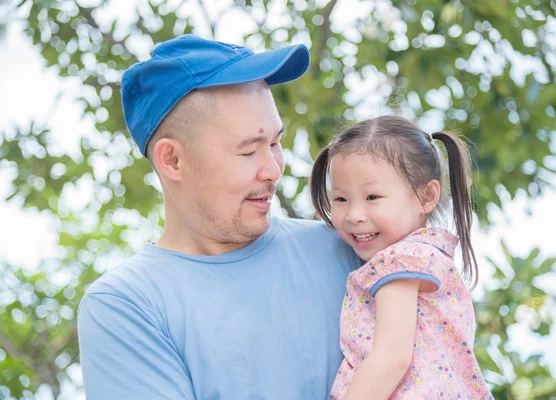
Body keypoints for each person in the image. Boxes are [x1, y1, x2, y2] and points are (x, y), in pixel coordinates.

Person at [77, 35, 361, 399]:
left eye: (274, 143)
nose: (273, 170)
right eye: (248, 151)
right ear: (173, 160)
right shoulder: (126, 307)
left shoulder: (346, 250)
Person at [310, 116, 493, 399]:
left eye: (373, 197)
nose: (355, 215)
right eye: (341, 199)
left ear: (426, 196)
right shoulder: (429, 255)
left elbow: (391, 357)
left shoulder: (401, 260)